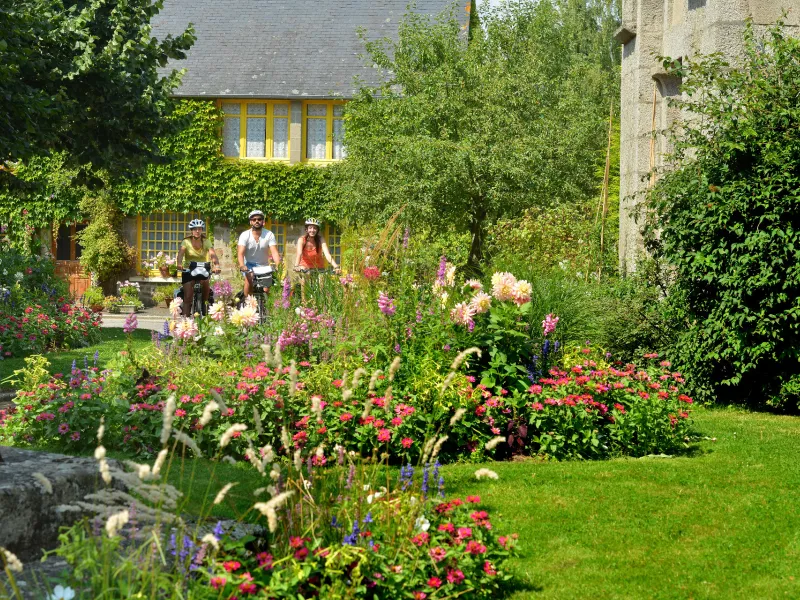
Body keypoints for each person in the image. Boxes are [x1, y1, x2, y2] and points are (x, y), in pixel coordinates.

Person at [176, 219, 220, 316]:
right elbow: (181, 253)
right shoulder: (186, 242)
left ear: (202, 230)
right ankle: (186, 320)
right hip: (189, 269)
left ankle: (204, 306)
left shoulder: (206, 241)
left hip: (203, 269)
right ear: (191, 230)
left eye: (199, 229)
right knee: (188, 296)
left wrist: (216, 265)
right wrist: (179, 263)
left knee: (206, 287)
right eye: (195, 229)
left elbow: (212, 254)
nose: (197, 231)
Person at [293, 218, 340, 302]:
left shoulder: (320, 239)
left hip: (319, 267)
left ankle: (321, 304)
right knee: (305, 279)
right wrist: (296, 266)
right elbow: (299, 254)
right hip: (305, 267)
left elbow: (327, 255)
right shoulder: (302, 240)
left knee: (321, 285)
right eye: (310, 228)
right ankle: (304, 303)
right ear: (306, 229)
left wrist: (336, 266)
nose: (312, 230)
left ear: (317, 230)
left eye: (315, 228)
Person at [237, 210, 281, 297]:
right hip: (249, 265)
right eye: (254, 219)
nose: (256, 221)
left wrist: (278, 265)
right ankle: (247, 303)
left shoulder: (269, 234)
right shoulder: (245, 235)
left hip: (264, 265)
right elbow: (240, 253)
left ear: (263, 222)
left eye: (259, 219)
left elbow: (275, 252)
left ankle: (266, 307)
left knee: (266, 289)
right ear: (250, 222)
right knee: (248, 279)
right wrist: (242, 265)